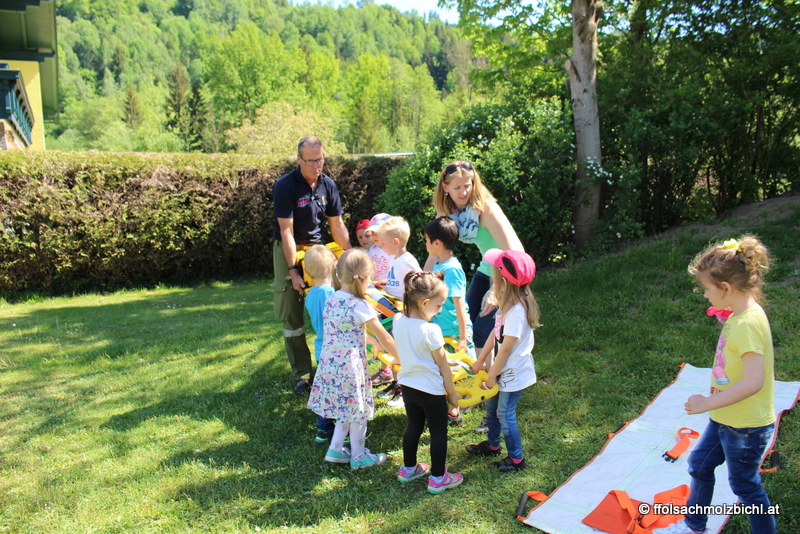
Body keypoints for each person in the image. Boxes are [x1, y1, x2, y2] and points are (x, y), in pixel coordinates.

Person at [652, 236, 776, 534]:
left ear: (726, 288)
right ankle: (694, 524)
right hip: (725, 417)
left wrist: (707, 403)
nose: (705, 295)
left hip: (745, 426)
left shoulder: (746, 325)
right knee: (700, 465)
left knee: (745, 486)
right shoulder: (742, 314)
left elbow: (754, 382)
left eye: (707, 289)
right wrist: (728, 320)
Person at [428, 161, 524, 432]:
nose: (464, 191)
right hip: (487, 268)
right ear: (445, 187)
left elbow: (515, 251)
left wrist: (498, 288)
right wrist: (423, 281)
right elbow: (436, 248)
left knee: (484, 331)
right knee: (468, 327)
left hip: (508, 272)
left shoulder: (486, 208)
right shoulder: (448, 210)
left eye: (468, 185)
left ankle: (490, 397)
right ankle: (479, 385)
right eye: (457, 187)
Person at [272, 135, 351, 394]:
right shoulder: (285, 186)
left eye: (320, 160)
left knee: (335, 301)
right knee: (291, 309)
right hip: (290, 247)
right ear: (298, 159)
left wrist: (350, 256)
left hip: (318, 249)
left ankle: (334, 364)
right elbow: (286, 231)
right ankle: (302, 375)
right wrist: (293, 270)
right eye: (311, 161)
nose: (317, 165)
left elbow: (337, 224)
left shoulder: (328, 184)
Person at [307, 249, 399, 470]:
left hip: (330, 366)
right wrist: (402, 357)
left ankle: (336, 449)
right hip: (350, 369)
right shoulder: (360, 305)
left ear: (338, 274)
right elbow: (385, 336)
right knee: (358, 413)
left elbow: (344, 329)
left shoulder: (332, 299)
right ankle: (359, 457)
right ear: (366, 278)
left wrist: (371, 341)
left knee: (345, 409)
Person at [466, 249, 540, 472]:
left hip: (512, 373)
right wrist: (481, 360)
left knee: (505, 414)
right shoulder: (507, 304)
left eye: (495, 275)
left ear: (504, 281)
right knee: (492, 407)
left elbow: (506, 349)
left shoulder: (516, 312)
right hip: (500, 369)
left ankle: (516, 459)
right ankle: (493, 445)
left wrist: (491, 376)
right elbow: (495, 333)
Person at [394, 271, 464, 494]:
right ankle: (438, 478)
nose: (440, 310)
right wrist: (452, 395)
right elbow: (442, 365)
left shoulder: (398, 320)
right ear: (425, 303)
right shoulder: (430, 330)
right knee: (438, 432)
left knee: (413, 426)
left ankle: (408, 468)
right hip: (431, 391)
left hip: (408, 387)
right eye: (439, 305)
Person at [374, 215, 421, 408]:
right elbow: (396, 282)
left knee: (401, 352)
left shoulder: (407, 262)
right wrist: (382, 284)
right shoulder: (395, 259)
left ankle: (405, 391)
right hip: (393, 314)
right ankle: (396, 383)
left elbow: (418, 285)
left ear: (395, 242)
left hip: (404, 315)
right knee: (393, 349)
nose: (381, 246)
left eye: (383, 243)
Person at [302, 245, 338, 444]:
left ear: (306, 271)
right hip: (334, 350)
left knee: (326, 390)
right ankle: (336, 429)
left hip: (320, 349)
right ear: (334, 266)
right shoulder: (330, 293)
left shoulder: (311, 294)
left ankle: (323, 429)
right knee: (337, 391)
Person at [425, 216, 474, 357]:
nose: (426, 244)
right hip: (443, 329)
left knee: (466, 368)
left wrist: (463, 338)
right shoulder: (439, 265)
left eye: (427, 240)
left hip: (455, 331)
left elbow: (459, 304)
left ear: (437, 243)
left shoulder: (452, 269)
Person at [366, 213, 393, 287]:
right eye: (373, 232)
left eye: (378, 233)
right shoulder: (372, 249)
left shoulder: (393, 252)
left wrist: (381, 282)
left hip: (389, 290)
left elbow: (397, 277)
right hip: (374, 287)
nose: (374, 236)